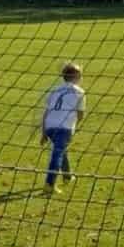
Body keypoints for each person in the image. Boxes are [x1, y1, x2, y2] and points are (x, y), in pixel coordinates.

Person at [40, 62, 85, 196]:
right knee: (57, 154)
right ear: (77, 76)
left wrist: (43, 132)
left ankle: (67, 176)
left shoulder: (55, 90)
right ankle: (49, 184)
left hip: (49, 127)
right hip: (63, 128)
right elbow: (80, 114)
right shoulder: (79, 92)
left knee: (61, 150)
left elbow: (46, 112)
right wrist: (73, 125)